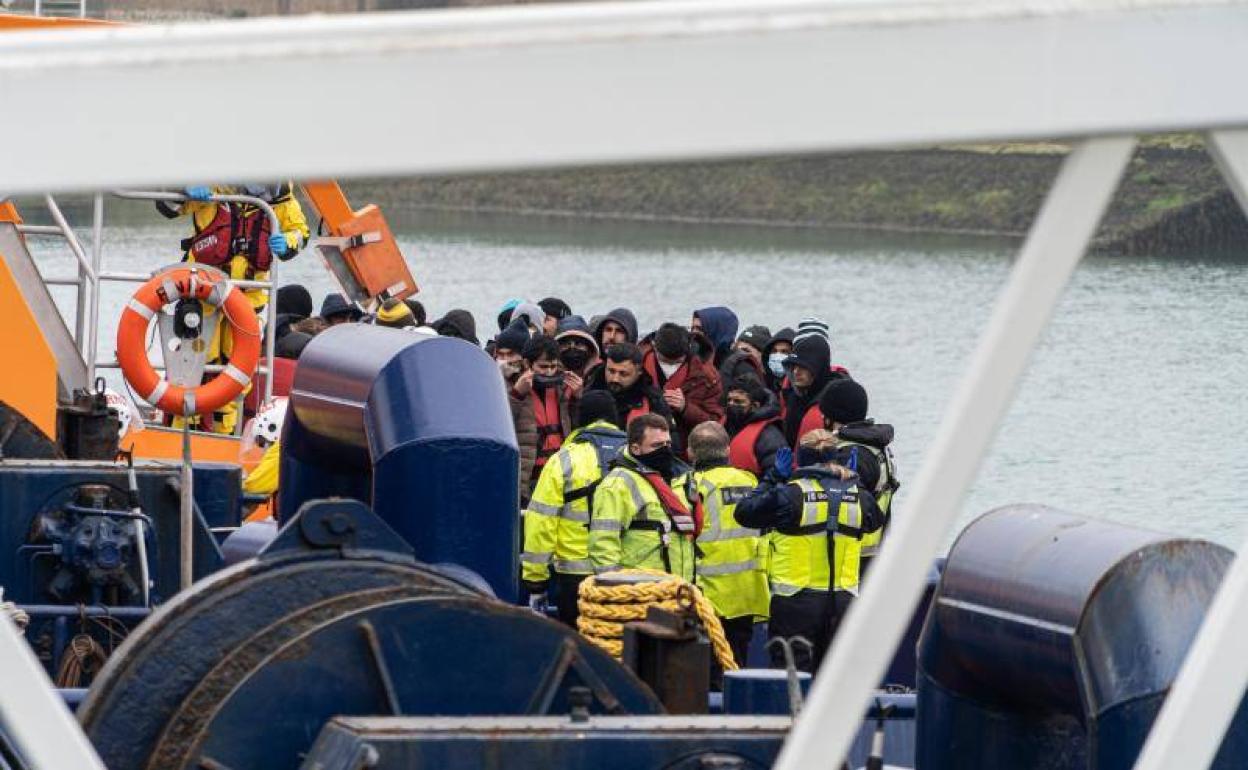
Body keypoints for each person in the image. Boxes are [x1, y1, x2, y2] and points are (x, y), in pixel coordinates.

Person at [161, 183, 310, 434]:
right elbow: (168, 206)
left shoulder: (281, 198)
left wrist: (288, 241)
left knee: (234, 370)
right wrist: (184, 187)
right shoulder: (213, 187)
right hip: (203, 292)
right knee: (192, 365)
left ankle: (225, 433)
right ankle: (184, 430)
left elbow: (301, 232)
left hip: (247, 298)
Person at [735, 430, 882, 673]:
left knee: (790, 676)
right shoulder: (859, 496)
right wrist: (855, 482)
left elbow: (745, 512)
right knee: (833, 677)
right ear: (837, 458)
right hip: (842, 601)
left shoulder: (790, 494)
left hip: (796, 601)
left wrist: (773, 477)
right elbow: (874, 521)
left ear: (800, 459)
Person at [521, 392, 627, 627]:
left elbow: (541, 522)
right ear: (615, 418)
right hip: (628, 575)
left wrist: (536, 581)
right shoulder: (635, 457)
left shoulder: (563, 460)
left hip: (575, 578)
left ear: (580, 419)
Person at [678, 422, 768, 670]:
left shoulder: (689, 486)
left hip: (708, 593)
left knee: (706, 670)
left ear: (690, 453)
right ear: (728, 450)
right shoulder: (750, 482)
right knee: (737, 664)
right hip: (748, 592)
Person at [589, 413, 696, 581]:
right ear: (635, 448)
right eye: (657, 445)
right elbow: (603, 545)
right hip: (639, 591)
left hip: (677, 589)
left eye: (668, 443)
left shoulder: (677, 478)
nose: (665, 450)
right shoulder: (618, 484)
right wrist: (614, 588)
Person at [819, 380, 898, 573]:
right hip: (874, 551)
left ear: (832, 416)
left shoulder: (850, 453)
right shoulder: (874, 446)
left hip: (854, 557)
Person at [643, 323, 724, 451]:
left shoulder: (708, 376)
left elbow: (716, 423)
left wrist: (686, 408)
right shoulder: (637, 365)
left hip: (686, 449)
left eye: (677, 362)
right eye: (664, 361)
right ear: (654, 348)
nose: (670, 367)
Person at [513, 335, 576, 483]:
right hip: (527, 472)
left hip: (559, 469)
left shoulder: (564, 387)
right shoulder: (511, 385)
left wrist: (578, 398)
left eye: (553, 366)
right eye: (543, 367)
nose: (549, 372)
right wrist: (516, 395)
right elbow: (501, 424)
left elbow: (576, 426)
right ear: (527, 363)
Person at [586, 343, 674, 437]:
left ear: (639, 371)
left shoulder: (653, 400)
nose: (615, 379)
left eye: (623, 374)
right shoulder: (590, 393)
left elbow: (670, 439)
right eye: (611, 371)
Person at [494, 320, 538, 504]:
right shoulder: (494, 381)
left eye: (511, 354)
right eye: (501, 354)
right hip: (513, 475)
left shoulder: (537, 378)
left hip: (536, 471)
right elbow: (496, 424)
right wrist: (516, 395)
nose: (505, 360)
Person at [779, 332, 849, 447]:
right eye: (794, 366)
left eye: (803, 367)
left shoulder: (836, 403)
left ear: (818, 368)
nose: (796, 372)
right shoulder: (793, 399)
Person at [724, 375, 787, 477]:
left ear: (755, 406)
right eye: (729, 400)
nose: (731, 405)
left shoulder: (770, 436)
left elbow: (777, 476)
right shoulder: (725, 426)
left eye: (738, 401)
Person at [554, 315, 600, 380]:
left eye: (578, 343)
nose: (572, 347)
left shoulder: (600, 377)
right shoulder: (548, 377)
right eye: (566, 344)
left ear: (590, 348)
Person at [762, 327, 795, 394]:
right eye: (774, 351)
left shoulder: (798, 389)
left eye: (784, 352)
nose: (777, 356)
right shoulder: (762, 385)